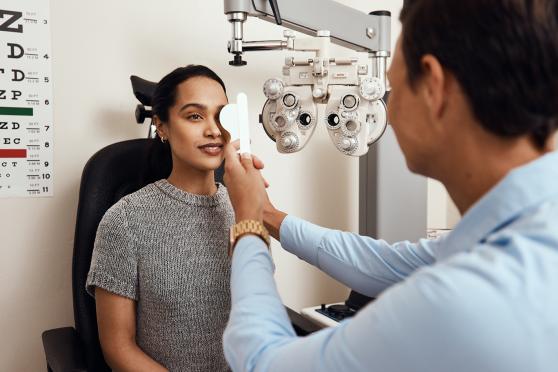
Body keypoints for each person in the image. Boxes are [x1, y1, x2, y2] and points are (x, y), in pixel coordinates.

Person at [221, 1, 558, 371]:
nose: (390, 116)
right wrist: (267, 213)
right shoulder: (529, 226)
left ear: (434, 87)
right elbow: (385, 264)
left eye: (392, 91)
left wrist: (248, 225)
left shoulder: (462, 302)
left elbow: (261, 362)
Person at [86, 65, 236, 371]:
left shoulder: (243, 209)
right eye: (195, 115)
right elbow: (118, 347)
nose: (214, 130)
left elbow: (261, 313)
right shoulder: (125, 221)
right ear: (162, 127)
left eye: (221, 116)